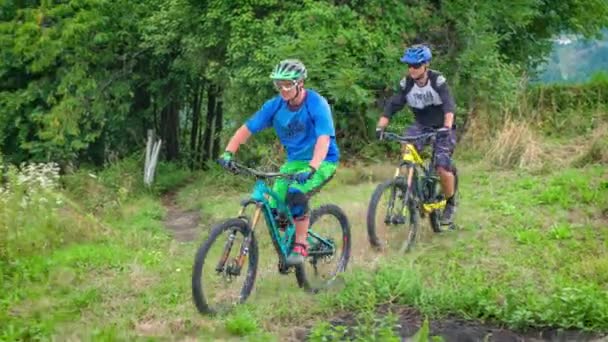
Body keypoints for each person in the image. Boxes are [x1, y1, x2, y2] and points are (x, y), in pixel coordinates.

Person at [218, 59, 340, 266]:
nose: (282, 89)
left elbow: (323, 139)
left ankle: (301, 245)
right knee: (276, 212)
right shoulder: (274, 106)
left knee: (295, 194)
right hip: (293, 163)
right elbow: (247, 128)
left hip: (322, 161)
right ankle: (291, 239)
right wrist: (229, 152)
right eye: (278, 85)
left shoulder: (316, 103)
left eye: (287, 84)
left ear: (300, 83)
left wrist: (312, 167)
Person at [375, 44, 458, 225]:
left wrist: (447, 127)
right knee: (406, 147)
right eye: (409, 65)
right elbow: (392, 106)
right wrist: (380, 127)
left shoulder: (438, 81)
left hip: (443, 127)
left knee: (442, 166)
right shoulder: (407, 84)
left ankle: (450, 203)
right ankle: (411, 187)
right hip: (421, 126)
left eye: (416, 65)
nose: (412, 69)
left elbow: (449, 106)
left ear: (426, 65)